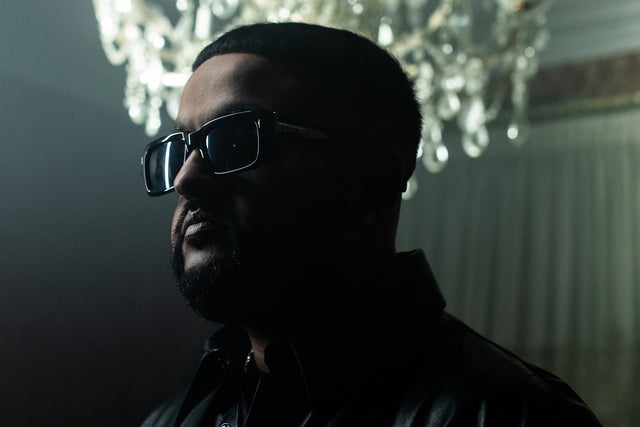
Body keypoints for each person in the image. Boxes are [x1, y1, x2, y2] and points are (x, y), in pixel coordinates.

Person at [140, 22, 601, 426]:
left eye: (235, 140)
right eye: (180, 150)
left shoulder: (507, 414)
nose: (186, 179)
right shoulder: (171, 420)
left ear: (371, 183)